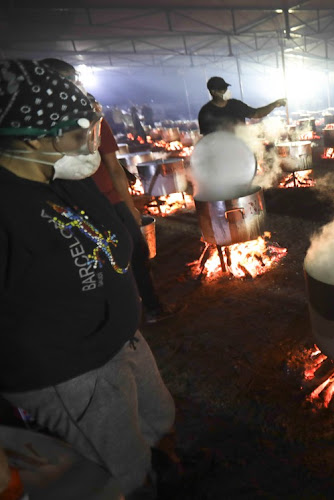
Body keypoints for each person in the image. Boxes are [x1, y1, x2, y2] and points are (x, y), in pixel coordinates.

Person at [0, 59, 176, 497]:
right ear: (34, 139)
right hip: (69, 373)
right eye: (79, 135)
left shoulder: (57, 175)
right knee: (117, 467)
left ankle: (170, 475)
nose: (89, 147)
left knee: (158, 422)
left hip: (121, 340)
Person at [40, 57, 176, 324]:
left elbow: (114, 168)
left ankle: (149, 308)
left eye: (73, 81)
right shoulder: (41, 128)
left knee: (134, 254)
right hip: (74, 210)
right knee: (105, 265)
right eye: (68, 82)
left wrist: (129, 207)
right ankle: (124, 316)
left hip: (105, 203)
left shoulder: (92, 119)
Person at [198, 76, 286, 135]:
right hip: (222, 155)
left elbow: (257, 113)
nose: (225, 91)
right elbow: (207, 139)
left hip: (242, 148)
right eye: (222, 89)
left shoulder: (236, 105)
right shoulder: (206, 112)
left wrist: (274, 104)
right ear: (213, 92)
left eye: (226, 88)